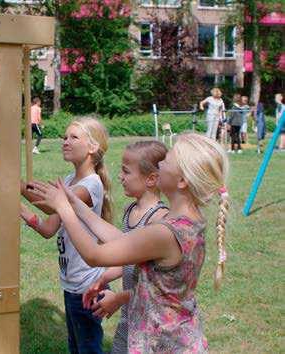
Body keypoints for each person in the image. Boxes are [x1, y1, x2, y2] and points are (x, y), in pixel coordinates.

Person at [31, 132, 229, 353]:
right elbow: (125, 241)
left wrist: (64, 209)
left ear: (182, 180)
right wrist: (76, 204)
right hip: (178, 338)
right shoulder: (188, 223)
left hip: (160, 344)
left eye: (166, 160)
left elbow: (94, 255)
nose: (160, 163)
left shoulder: (165, 232)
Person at [21, 116, 113, 354]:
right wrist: (23, 212)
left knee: (88, 348)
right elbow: (49, 228)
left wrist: (15, 185)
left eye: (73, 137)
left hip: (88, 284)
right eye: (64, 137)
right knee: (76, 347)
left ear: (92, 147)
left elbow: (54, 206)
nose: (65, 142)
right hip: (71, 282)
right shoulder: (71, 180)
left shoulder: (91, 184)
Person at [82, 140, 169, 354]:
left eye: (126, 172)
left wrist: (119, 298)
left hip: (153, 325)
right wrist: (102, 279)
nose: (120, 177)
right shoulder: (130, 211)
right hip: (129, 319)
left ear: (151, 179)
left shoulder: (158, 220)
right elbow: (130, 262)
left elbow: (157, 289)